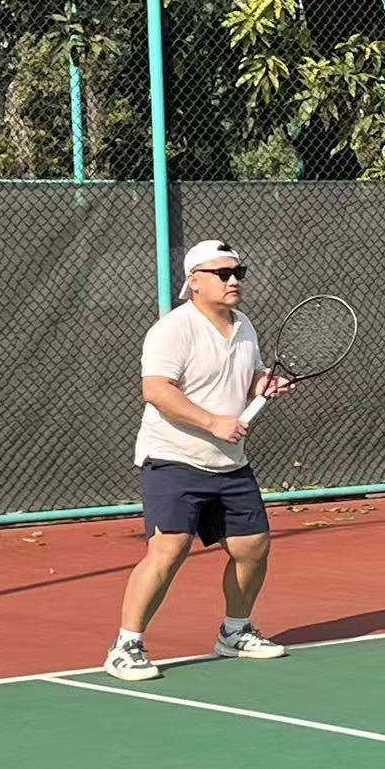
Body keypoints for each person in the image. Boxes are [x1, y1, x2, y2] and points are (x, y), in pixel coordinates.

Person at [104, 239, 293, 681]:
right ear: (194, 281)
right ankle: (125, 646)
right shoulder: (172, 330)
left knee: (252, 547)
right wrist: (212, 422)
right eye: (222, 274)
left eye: (238, 273)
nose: (233, 281)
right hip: (173, 457)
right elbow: (156, 390)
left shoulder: (244, 326)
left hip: (229, 463)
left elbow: (247, 376)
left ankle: (235, 631)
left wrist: (264, 383)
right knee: (169, 549)